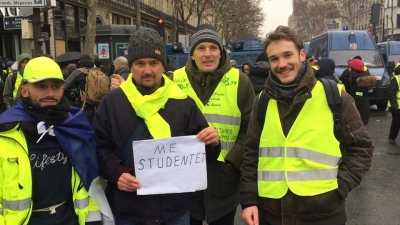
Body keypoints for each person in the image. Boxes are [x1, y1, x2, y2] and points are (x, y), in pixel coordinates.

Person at [110, 24, 255, 225]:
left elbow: (250, 130)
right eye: (200, 48)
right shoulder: (173, 79)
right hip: (183, 187)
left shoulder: (241, 81)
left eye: (213, 48)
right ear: (192, 54)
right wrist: (120, 88)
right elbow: (142, 91)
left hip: (223, 181)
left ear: (221, 53)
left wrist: (231, 162)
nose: (208, 54)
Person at [240, 26, 374, 225]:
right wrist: (249, 200)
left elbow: (362, 148)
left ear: (302, 54)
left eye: (287, 55)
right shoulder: (262, 101)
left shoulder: (335, 96)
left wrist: (339, 189)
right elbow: (250, 152)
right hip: (271, 213)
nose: (282, 64)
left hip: (323, 214)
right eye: (274, 59)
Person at [93, 28, 221, 225]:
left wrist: (211, 143)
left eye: (154, 63)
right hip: (129, 210)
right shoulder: (112, 103)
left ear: (163, 66)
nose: (147, 70)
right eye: (140, 63)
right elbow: (99, 147)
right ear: (131, 66)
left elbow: (202, 155)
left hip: (175, 211)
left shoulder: (183, 102)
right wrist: (116, 173)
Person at [0, 56, 114, 225]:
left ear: (63, 90)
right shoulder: (6, 133)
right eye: (41, 86)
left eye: (56, 86)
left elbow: (89, 181)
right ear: (24, 91)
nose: (50, 93)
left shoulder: (76, 127)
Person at [64, 54, 96, 123]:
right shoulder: (98, 72)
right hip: (99, 109)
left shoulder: (78, 72)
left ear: (80, 62)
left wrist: (72, 98)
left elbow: (64, 87)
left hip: (83, 108)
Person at [346, 59, 377, 125]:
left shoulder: (360, 83)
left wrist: (348, 106)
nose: (348, 70)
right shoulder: (356, 79)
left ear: (354, 69)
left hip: (360, 112)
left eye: (349, 67)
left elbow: (358, 98)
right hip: (359, 110)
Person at [388, 63, 400, 144]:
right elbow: (391, 93)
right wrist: (394, 105)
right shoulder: (396, 79)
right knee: (396, 123)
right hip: (396, 108)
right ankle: (392, 137)